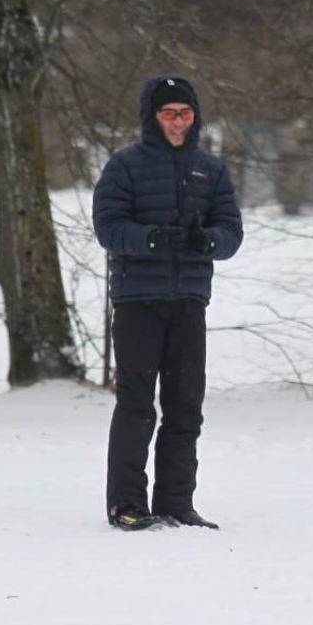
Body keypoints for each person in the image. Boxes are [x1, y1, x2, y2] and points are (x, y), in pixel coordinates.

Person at [93, 75, 243, 531]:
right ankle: (127, 504)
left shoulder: (210, 170)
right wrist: (154, 238)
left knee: (184, 406)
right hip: (138, 300)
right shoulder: (125, 166)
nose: (178, 122)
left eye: (185, 113)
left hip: (189, 302)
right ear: (151, 117)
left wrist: (207, 241)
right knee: (137, 405)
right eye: (168, 113)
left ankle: (177, 502)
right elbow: (108, 227)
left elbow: (231, 232)